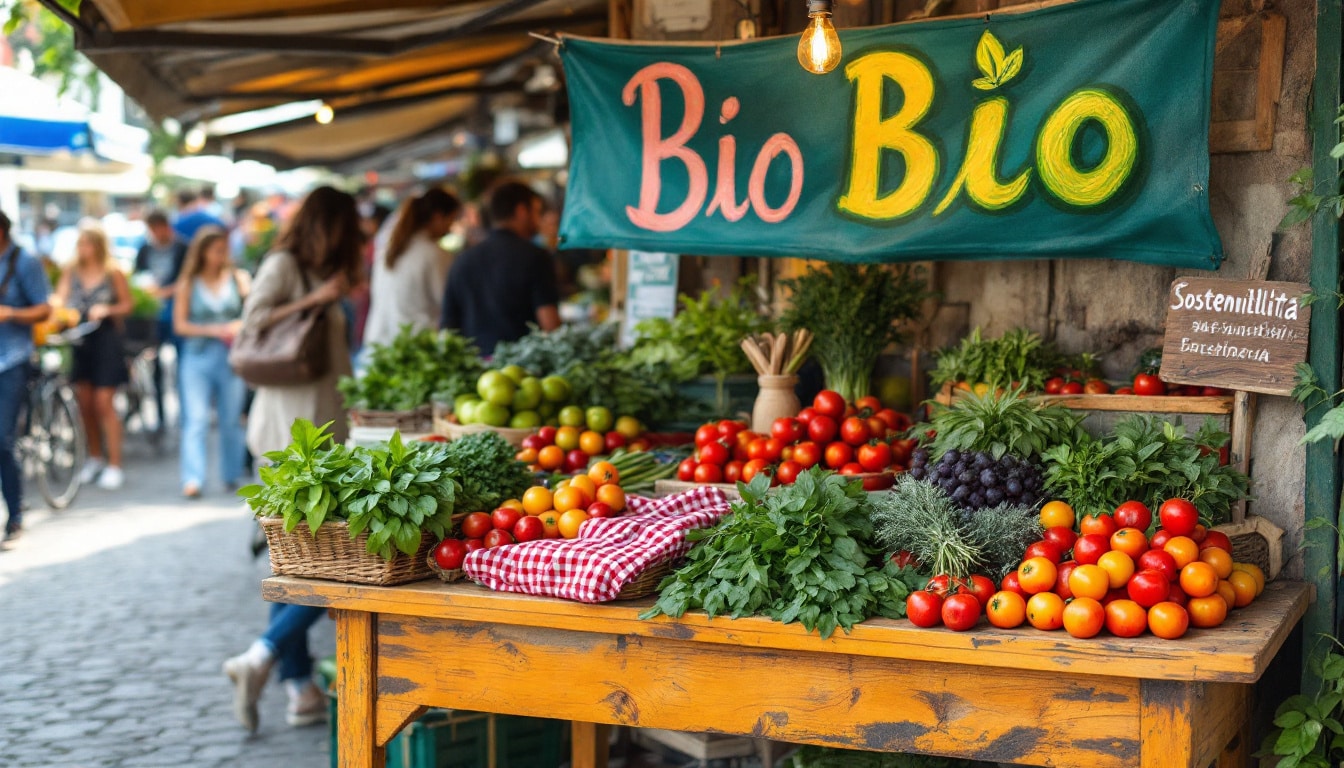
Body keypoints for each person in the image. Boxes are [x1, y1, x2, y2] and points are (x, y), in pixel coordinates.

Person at [224, 186, 363, 732]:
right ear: (331, 226)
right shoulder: (284, 265)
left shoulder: (324, 273)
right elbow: (252, 322)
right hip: (289, 437)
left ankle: (297, 688)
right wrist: (317, 298)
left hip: (322, 429)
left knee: (297, 561)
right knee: (323, 565)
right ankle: (263, 656)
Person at [172, 227, 250, 498]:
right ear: (203, 252)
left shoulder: (238, 279)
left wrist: (236, 326)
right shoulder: (188, 283)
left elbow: (253, 315)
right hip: (197, 357)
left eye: (224, 249)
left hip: (231, 358)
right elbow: (179, 326)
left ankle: (231, 474)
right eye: (216, 249)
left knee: (231, 419)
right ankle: (192, 478)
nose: (222, 255)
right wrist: (215, 329)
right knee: (196, 419)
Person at [54, 224, 133, 491]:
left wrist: (107, 309)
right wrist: (60, 313)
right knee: (84, 403)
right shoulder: (71, 270)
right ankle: (95, 457)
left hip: (106, 341)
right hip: (80, 339)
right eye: (81, 243)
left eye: (88, 243)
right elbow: (59, 300)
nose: (84, 249)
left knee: (104, 403)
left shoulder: (113, 272)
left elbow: (127, 304)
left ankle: (115, 464)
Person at [439, 181, 560, 355]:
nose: (539, 219)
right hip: (525, 369)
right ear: (521, 211)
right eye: (536, 211)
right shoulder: (535, 256)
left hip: (477, 371)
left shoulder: (462, 260)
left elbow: (448, 326)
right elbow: (550, 324)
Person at [0, 211, 51, 544]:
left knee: (2, 437)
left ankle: (15, 513)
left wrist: (12, 313)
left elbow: (44, 309)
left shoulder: (25, 262)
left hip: (12, 358)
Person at [363, 188, 460, 350]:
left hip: (379, 343)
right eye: (451, 220)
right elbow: (448, 303)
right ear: (437, 217)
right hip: (414, 347)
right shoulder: (434, 253)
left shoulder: (390, 247)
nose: (450, 228)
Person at [133, 210, 187, 431]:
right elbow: (138, 276)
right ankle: (161, 416)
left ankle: (184, 413)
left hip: (176, 312)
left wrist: (166, 292)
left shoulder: (183, 248)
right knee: (154, 364)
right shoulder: (145, 249)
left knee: (182, 364)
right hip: (154, 316)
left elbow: (187, 279)